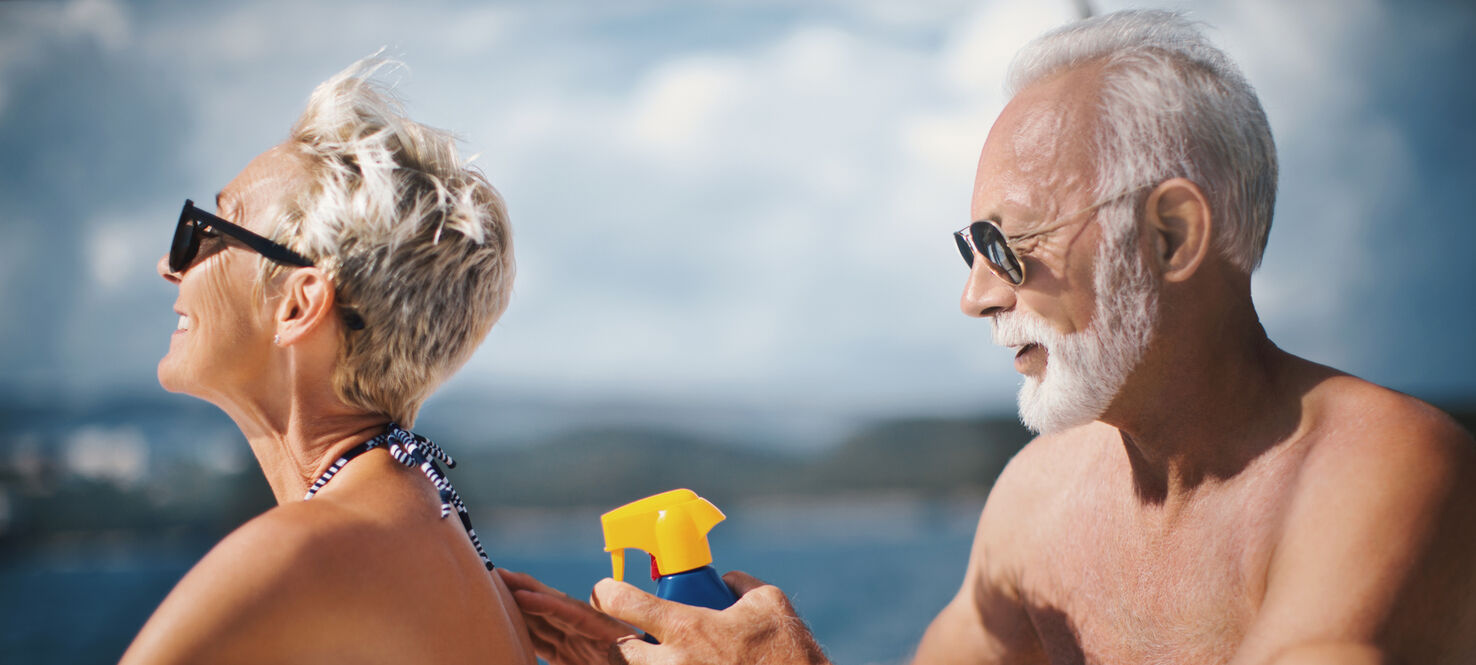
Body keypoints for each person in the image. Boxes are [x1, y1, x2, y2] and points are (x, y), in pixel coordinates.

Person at [498, 10, 1476, 665]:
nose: (974, 296)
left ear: (1171, 235)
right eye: (971, 248)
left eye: (1005, 245)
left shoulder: (1384, 469)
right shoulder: (1038, 497)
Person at [122, 57, 535, 664]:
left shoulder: (306, 552)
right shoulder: (432, 529)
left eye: (206, 230)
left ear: (298, 305)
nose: (170, 264)